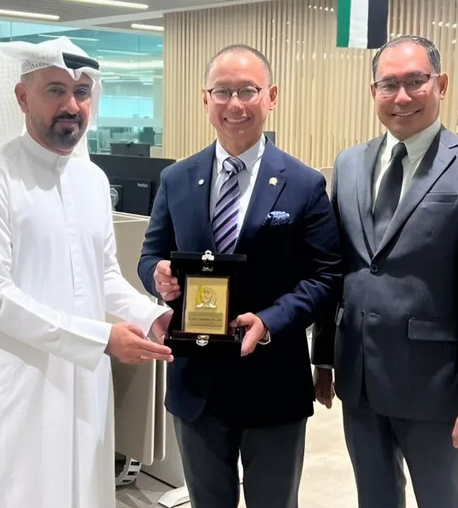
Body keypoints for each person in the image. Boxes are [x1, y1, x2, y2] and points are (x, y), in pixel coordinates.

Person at [0, 37, 174, 508]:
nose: (72, 105)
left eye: (81, 92)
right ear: (22, 97)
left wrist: (150, 316)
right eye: (56, 90)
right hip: (15, 386)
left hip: (81, 384)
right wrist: (101, 339)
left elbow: (102, 275)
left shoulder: (92, 181)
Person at [312, 35, 458, 508]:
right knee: (374, 498)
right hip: (358, 377)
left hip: (434, 385)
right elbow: (336, 269)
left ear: (440, 84)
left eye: (415, 81)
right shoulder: (349, 163)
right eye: (389, 84)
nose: (401, 97)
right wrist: (323, 357)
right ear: (374, 92)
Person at [138, 44, 341, 508]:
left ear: (271, 96)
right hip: (196, 383)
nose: (235, 104)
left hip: (273, 380)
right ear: (205, 100)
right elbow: (150, 256)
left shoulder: (304, 183)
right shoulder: (177, 179)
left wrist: (269, 320)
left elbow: (326, 277)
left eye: (248, 90)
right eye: (222, 92)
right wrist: (157, 276)